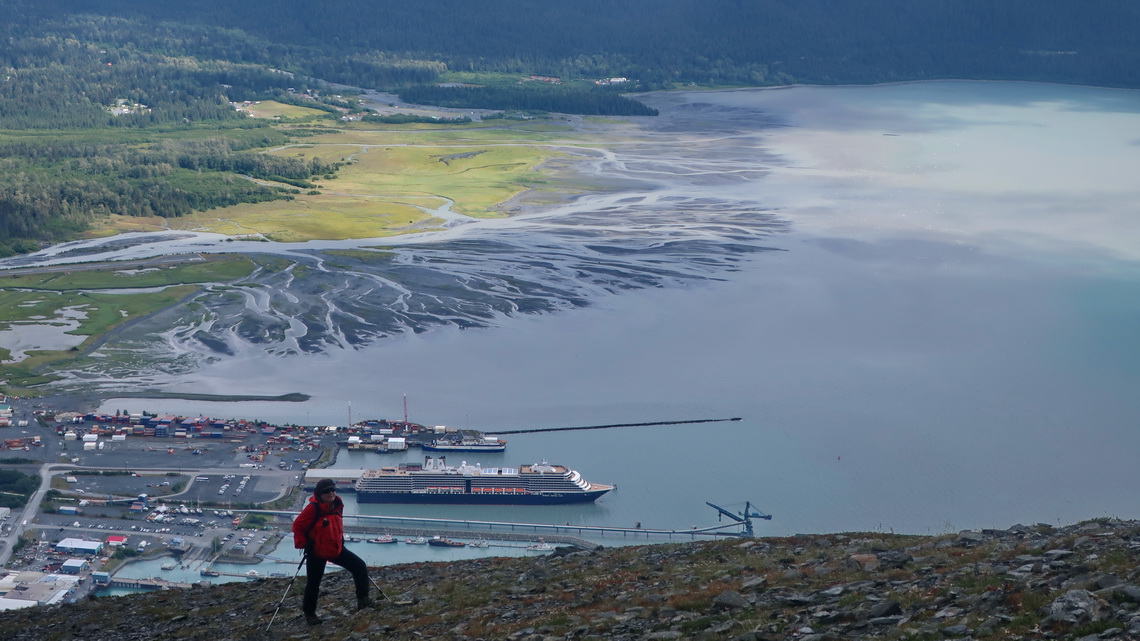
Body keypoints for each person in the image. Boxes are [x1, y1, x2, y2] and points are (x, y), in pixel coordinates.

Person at [292, 478, 373, 625]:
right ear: (319, 494)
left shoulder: (337, 504)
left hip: (336, 547)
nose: (331, 493)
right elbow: (297, 526)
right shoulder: (313, 509)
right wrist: (304, 544)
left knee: (360, 567)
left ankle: (364, 601)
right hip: (316, 550)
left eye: (333, 490)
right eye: (326, 491)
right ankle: (310, 614)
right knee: (313, 583)